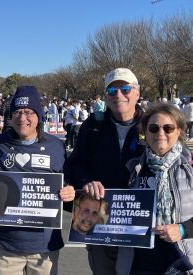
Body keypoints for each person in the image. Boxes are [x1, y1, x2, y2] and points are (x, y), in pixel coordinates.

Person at [0, 86, 75, 275]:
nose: (22, 118)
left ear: (38, 116)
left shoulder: (55, 146)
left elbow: (68, 183)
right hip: (7, 244)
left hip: (44, 246)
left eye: (28, 112)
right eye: (17, 112)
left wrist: (70, 192)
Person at [65, 68, 146, 275]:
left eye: (125, 89)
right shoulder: (93, 126)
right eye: (112, 91)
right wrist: (87, 181)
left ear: (137, 93)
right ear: (106, 97)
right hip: (102, 221)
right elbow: (76, 163)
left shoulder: (151, 125)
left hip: (140, 220)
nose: (119, 95)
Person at [116, 103, 193, 274]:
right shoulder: (132, 168)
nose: (161, 134)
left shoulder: (190, 168)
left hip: (182, 261)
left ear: (179, 131)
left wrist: (183, 229)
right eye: (153, 128)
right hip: (139, 262)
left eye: (168, 128)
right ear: (145, 132)